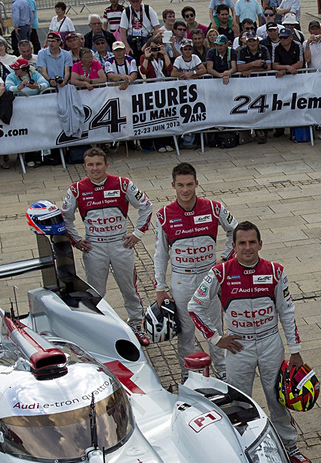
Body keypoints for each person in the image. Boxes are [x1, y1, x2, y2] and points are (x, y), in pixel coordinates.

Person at [189, 223, 313, 463]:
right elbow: (194, 306)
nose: (247, 248)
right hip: (238, 345)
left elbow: (287, 311)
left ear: (260, 244)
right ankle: (243, 450)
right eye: (242, 243)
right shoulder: (220, 273)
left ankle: (290, 448)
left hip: (270, 343)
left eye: (252, 242)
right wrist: (215, 338)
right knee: (238, 401)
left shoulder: (275, 272)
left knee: (277, 399)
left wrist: (295, 349)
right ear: (233, 246)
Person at [152, 162, 238, 370]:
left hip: (210, 277)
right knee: (186, 332)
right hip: (182, 280)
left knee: (215, 327)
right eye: (180, 185)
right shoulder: (164, 215)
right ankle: (188, 374)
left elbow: (235, 231)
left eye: (189, 184)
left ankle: (223, 369)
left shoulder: (214, 208)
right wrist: (160, 287)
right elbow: (161, 253)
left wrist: (225, 257)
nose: (185, 190)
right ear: (173, 185)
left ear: (197, 183)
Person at [62, 147, 154, 331]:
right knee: (96, 292)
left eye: (98, 164)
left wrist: (137, 234)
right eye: (90, 165)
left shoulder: (122, 184)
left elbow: (147, 206)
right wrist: (76, 240)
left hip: (121, 244)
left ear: (106, 165)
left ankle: (137, 325)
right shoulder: (76, 189)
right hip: (94, 247)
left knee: (129, 289)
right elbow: (65, 217)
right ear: (85, 166)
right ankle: (97, 328)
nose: (95, 168)